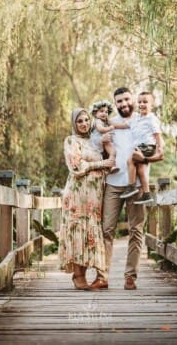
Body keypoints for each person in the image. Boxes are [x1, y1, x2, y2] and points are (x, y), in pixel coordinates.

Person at [89, 87, 147, 291]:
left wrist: (144, 158)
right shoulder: (109, 125)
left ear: (132, 99)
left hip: (136, 185)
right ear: (115, 104)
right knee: (106, 230)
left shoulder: (143, 122)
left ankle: (130, 276)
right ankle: (102, 276)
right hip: (113, 183)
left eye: (126, 100)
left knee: (136, 230)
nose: (123, 104)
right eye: (119, 102)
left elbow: (155, 150)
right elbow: (96, 149)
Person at [58, 107, 115, 290]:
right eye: (79, 121)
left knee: (88, 233)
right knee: (77, 231)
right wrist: (101, 164)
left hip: (94, 198)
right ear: (74, 124)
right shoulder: (71, 141)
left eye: (86, 120)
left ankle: (89, 273)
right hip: (76, 196)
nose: (84, 124)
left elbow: (112, 157)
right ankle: (78, 274)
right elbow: (76, 166)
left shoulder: (94, 140)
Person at [120, 91, 164, 203]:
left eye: (145, 102)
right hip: (143, 147)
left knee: (130, 159)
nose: (142, 104)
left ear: (151, 105)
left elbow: (157, 135)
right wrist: (108, 123)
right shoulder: (138, 118)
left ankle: (131, 186)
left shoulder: (151, 118)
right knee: (140, 169)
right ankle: (146, 194)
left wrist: (160, 149)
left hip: (148, 147)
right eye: (139, 102)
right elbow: (123, 125)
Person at [90, 99, 127, 174]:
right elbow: (101, 130)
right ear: (95, 113)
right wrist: (109, 128)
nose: (104, 113)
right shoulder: (97, 121)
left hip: (104, 140)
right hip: (99, 140)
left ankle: (110, 166)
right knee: (113, 151)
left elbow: (115, 125)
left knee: (111, 152)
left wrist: (125, 125)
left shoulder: (104, 121)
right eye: (101, 111)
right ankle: (111, 165)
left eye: (106, 112)